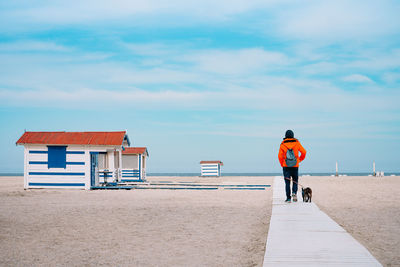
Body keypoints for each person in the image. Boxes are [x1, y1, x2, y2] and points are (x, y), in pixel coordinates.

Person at [278, 130, 306, 203]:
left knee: (287, 183)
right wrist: (299, 160)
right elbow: (304, 152)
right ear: (293, 135)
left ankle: (288, 198)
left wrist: (282, 164)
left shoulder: (282, 144)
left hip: (286, 166)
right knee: (295, 181)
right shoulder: (296, 143)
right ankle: (294, 193)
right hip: (295, 165)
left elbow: (280, 156)